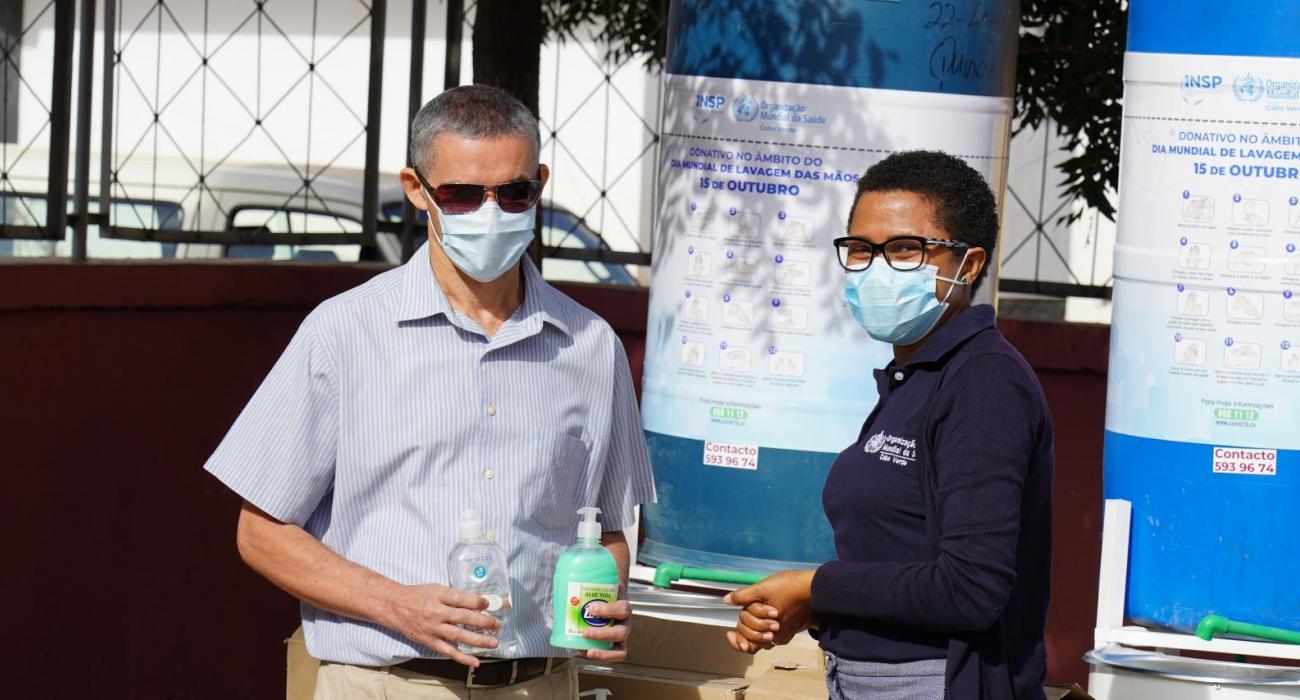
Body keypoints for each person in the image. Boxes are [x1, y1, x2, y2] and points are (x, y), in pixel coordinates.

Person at [205, 84, 656, 699]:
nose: (491, 213)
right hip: (387, 683)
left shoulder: (590, 345)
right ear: (418, 191)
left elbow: (607, 531)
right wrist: (394, 605)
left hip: (539, 684)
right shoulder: (344, 332)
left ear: (540, 184)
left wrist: (603, 600)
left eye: (515, 192)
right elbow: (260, 533)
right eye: (463, 195)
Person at [724, 150, 1054, 700]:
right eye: (860, 249)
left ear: (968, 265)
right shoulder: (914, 378)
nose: (876, 267)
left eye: (905, 249)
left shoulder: (984, 383)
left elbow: (971, 587)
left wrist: (815, 585)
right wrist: (814, 608)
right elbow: (899, 561)